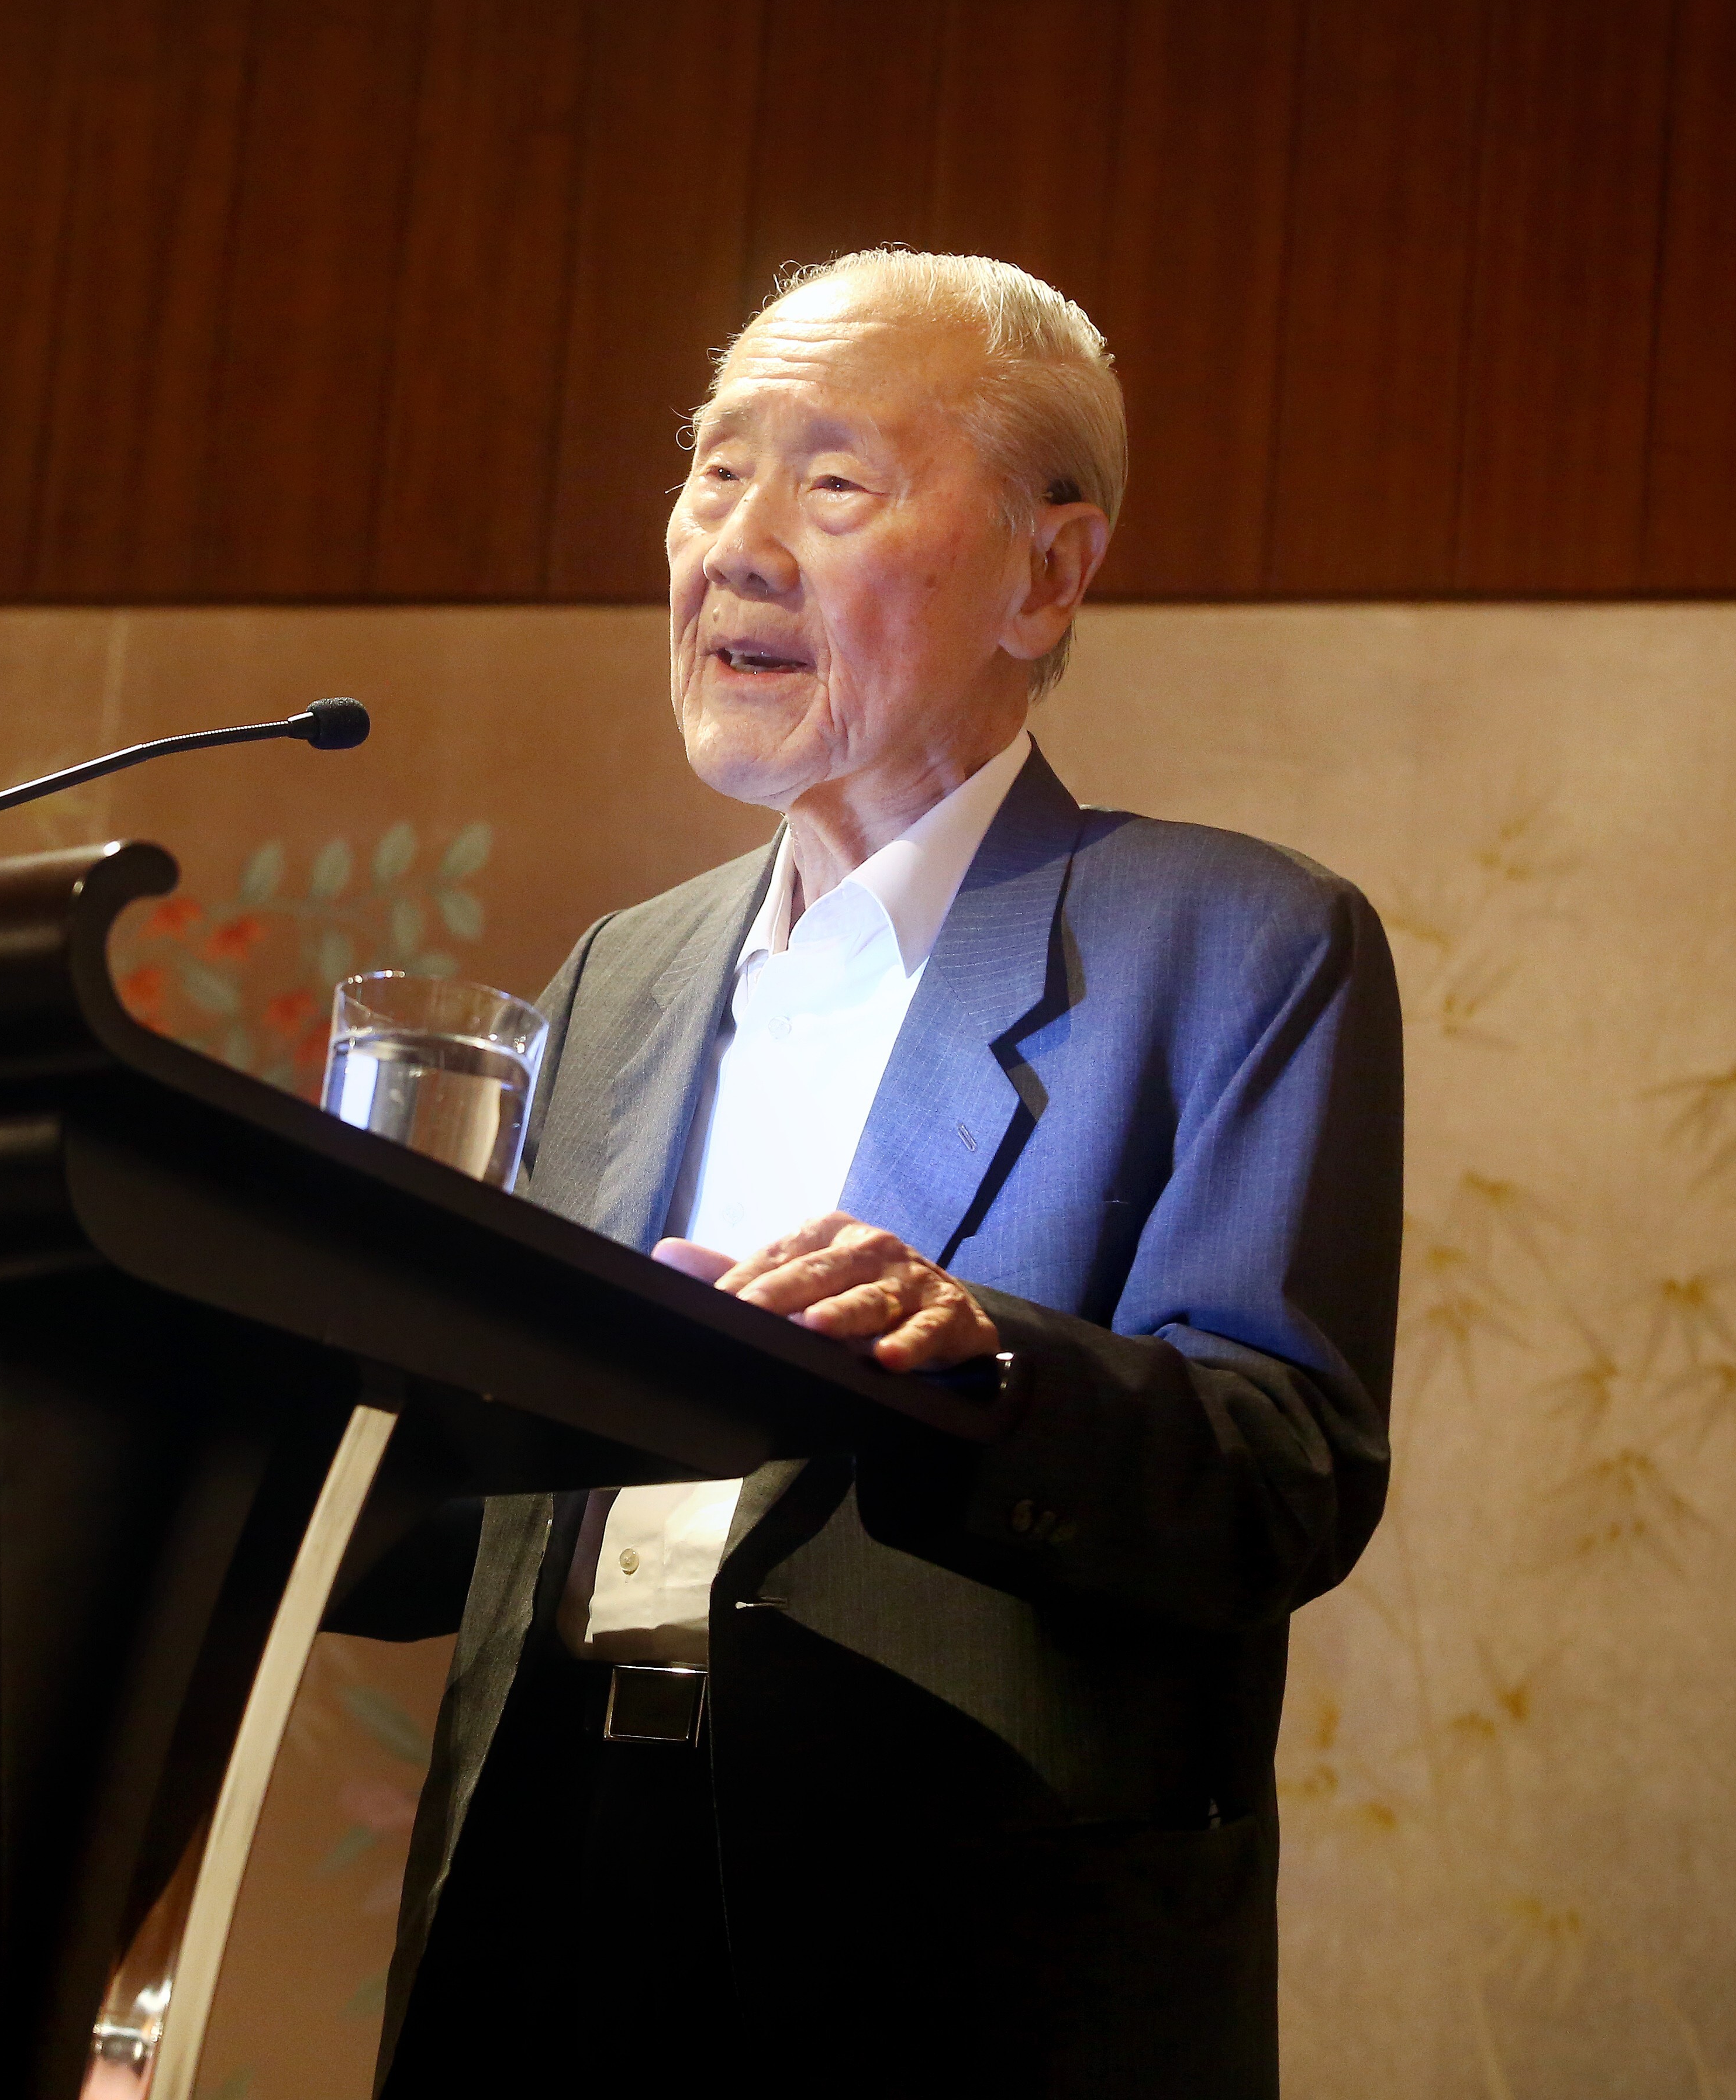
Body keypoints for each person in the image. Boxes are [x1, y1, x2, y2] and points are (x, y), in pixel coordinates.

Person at [341, 250, 1401, 2098]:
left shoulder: (1229, 941)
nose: (735, 545)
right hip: (550, 1893)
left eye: (832, 484)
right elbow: (471, 1519)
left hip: (957, 1939)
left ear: (1048, 572)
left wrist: (976, 1364)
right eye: (712, 470)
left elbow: (1280, 1481)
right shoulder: (623, 971)